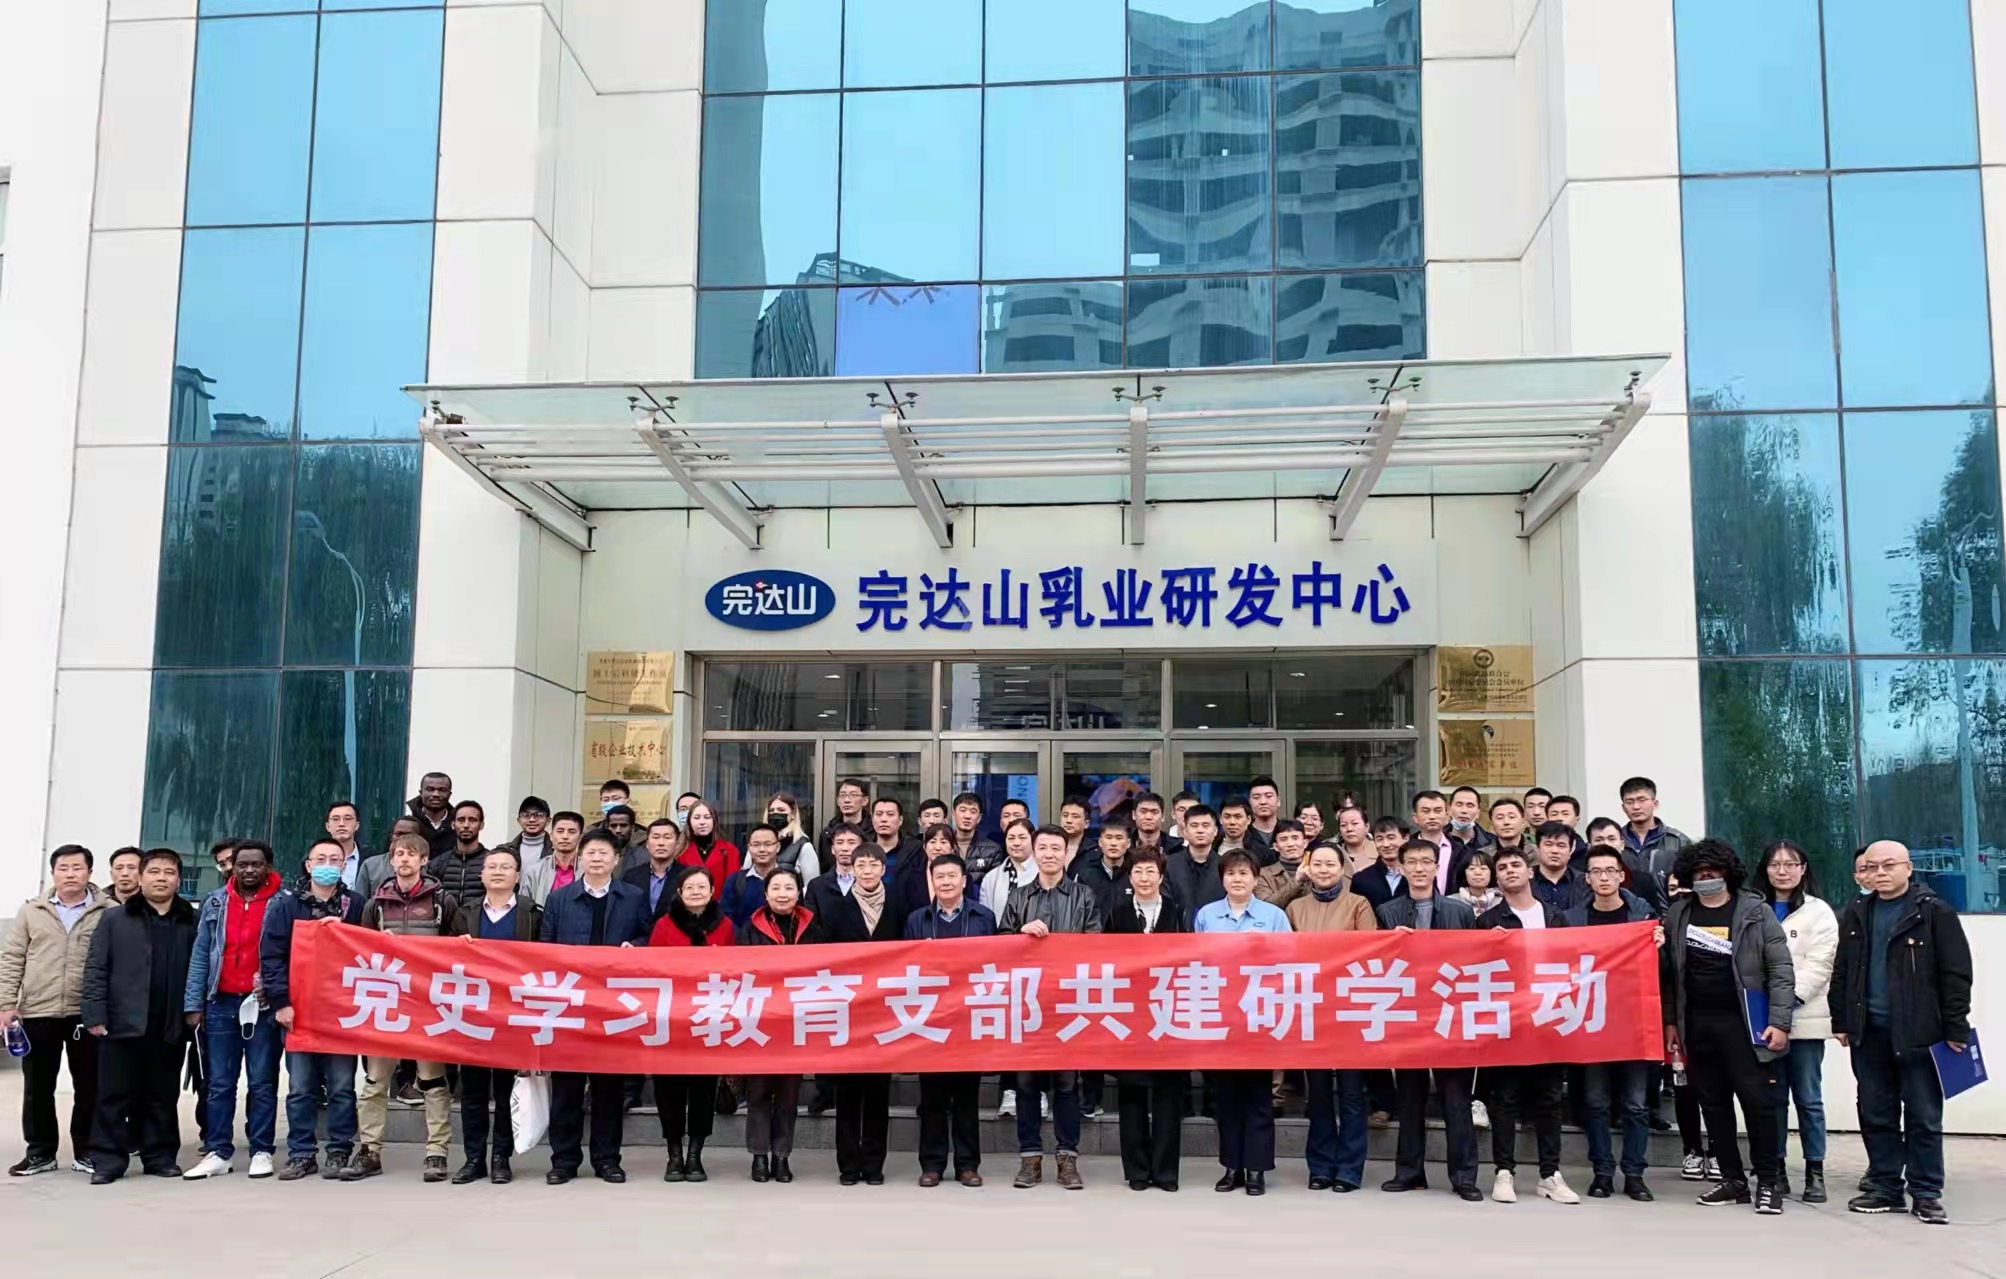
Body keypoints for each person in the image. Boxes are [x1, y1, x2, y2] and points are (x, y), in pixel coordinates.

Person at [1831, 840, 1973, 1226]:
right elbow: (1843, 968)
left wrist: (1956, 1028)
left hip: (1921, 1032)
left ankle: (1926, 1193)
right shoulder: (1857, 912)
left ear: (1908, 868)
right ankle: (1885, 1187)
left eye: (1888, 865)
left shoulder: (1934, 912)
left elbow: (1956, 974)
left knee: (1923, 1116)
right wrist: (1841, 1019)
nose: (1879, 873)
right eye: (1871, 866)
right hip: (1869, 1031)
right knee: (1876, 1112)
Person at [1661, 838, 1795, 1215]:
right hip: (1696, 1025)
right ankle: (1733, 1180)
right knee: (1713, 1105)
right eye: (1700, 873)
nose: (1707, 878)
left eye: (1714, 872)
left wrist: (1779, 1021)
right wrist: (1671, 1022)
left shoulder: (1755, 911)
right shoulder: (1678, 914)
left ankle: (1767, 1181)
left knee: (1758, 1104)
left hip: (1746, 1025)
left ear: (1728, 873)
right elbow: (1670, 976)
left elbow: (1781, 969)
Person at [343, 832, 463, 1182]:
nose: (405, 859)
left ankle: (436, 1152)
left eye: (412, 854)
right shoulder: (376, 904)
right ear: (391, 859)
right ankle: (369, 1150)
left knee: (433, 1081)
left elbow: (461, 949)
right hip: (387, 1003)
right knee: (374, 1082)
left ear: (424, 860)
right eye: (399, 853)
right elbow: (361, 952)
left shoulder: (443, 900)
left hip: (428, 1003)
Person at [538, 829, 651, 1184]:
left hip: (614, 1007)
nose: (597, 858)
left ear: (616, 860)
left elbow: (648, 937)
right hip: (570, 1005)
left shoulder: (633, 897)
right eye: (591, 852)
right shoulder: (560, 898)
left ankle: (607, 1160)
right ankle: (563, 1161)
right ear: (580, 858)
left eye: (604, 853)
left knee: (609, 1090)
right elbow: (545, 947)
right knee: (566, 1090)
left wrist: (636, 946)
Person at [82, 849, 197, 1184]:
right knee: (113, 1095)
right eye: (154, 872)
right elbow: (96, 968)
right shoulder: (114, 918)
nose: (161, 878)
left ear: (178, 879)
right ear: (141, 877)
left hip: (170, 1023)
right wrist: (94, 1014)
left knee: (162, 1095)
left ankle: (160, 1157)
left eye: (169, 872)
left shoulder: (191, 919)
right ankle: (108, 1161)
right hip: (121, 1023)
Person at [1377, 839, 1481, 1200]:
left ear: (1438, 867)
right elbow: (1377, 964)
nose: (1419, 868)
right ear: (1401, 867)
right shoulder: (1387, 912)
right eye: (1412, 862)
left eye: (1426, 862)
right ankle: (1409, 1172)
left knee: (1456, 1100)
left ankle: (1464, 1177)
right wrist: (1390, 943)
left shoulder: (1460, 912)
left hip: (1450, 1015)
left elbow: (1475, 960)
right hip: (1408, 1016)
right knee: (1409, 1099)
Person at [999, 825, 1102, 1191]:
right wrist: (1021, 934)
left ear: (1066, 853)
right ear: (1033, 851)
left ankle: (1067, 1159)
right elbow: (1000, 944)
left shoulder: (1083, 895)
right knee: (1026, 1083)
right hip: (1028, 1002)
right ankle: (1029, 1159)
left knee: (1066, 1084)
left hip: (1068, 1002)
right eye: (1042, 847)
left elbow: (1096, 944)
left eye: (1056, 848)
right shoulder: (1018, 896)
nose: (1049, 854)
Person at [1472, 847, 1576, 1204]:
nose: (1510, 871)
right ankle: (1504, 1171)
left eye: (1516, 865)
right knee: (1506, 1098)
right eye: (1502, 868)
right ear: (1497, 879)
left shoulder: (1556, 916)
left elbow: (1572, 961)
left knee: (1549, 1098)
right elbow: (1478, 969)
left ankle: (1550, 1174)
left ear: (1530, 872)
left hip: (1549, 1016)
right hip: (1508, 1019)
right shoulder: (1489, 920)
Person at [259, 838, 363, 1182]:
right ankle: (301, 1153)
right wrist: (281, 1003)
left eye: (335, 859)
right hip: (299, 1009)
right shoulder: (286, 904)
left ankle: (339, 1149)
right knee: (301, 1087)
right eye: (321, 859)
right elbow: (271, 957)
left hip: (343, 1011)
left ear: (344, 865)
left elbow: (370, 953)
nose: (328, 865)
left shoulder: (356, 904)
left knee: (342, 1086)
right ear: (308, 865)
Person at [2, 845, 110, 1177]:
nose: (70, 874)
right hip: (38, 1010)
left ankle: (87, 1151)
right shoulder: (32, 911)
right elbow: (12, 958)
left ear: (89, 872)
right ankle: (40, 1152)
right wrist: (7, 1004)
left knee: (90, 1086)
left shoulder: (109, 911)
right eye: (63, 868)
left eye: (77, 868)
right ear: (53, 873)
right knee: (37, 1087)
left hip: (86, 1013)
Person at [182, 839, 283, 1181]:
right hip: (220, 1002)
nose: (249, 870)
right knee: (219, 1084)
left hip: (263, 1006)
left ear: (268, 867)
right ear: (232, 867)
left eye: (257, 864)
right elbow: (201, 954)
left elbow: (291, 954)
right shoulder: (215, 901)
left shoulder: (283, 902)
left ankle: (261, 1150)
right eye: (243, 864)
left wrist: (275, 990)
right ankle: (218, 1151)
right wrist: (193, 1003)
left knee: (262, 1082)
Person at [1563, 845, 1660, 1201]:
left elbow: (1662, 972)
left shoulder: (1643, 916)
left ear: (1621, 875)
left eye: (1610, 871)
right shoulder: (1572, 919)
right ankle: (1602, 1172)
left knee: (1636, 1104)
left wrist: (1659, 947)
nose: (1603, 878)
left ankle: (1634, 1174)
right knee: (1595, 1101)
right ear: (1587, 879)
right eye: (1596, 872)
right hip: (1591, 1020)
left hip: (1633, 1021)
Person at [1193, 849, 1290, 1195]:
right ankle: (1232, 1166)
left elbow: (1288, 961)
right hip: (1221, 1016)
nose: (1237, 879)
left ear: (1255, 878)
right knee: (1227, 1098)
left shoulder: (1274, 916)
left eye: (1244, 873)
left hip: (1259, 1015)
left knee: (1259, 1097)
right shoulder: (1207, 915)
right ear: (1222, 879)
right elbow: (1196, 962)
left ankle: (1257, 1169)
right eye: (1231, 873)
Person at [441, 845, 540, 1185]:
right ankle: (473, 1159)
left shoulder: (531, 913)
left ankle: (501, 1157)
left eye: (505, 867)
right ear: (482, 875)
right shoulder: (465, 913)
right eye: (492, 866)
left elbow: (544, 961)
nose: (498, 872)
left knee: (506, 1090)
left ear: (517, 875)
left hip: (514, 1016)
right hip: (474, 1015)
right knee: (473, 1092)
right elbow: (443, 959)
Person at [1286, 843, 1375, 1192]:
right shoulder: (1295, 908)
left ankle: (1350, 1169)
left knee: (1352, 1094)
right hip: (1312, 1010)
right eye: (1317, 864)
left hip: (1350, 1009)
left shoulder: (1359, 904)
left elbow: (1368, 951)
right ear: (1308, 868)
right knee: (1319, 1094)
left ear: (1342, 869)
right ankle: (1321, 1167)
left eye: (1330, 864)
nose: (1324, 870)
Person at [1753, 839, 1836, 1203]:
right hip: (1763, 1021)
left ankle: (1815, 1172)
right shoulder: (1753, 908)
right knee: (1772, 1099)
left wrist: (1784, 1007)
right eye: (1775, 864)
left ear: (1803, 869)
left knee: (1808, 1098)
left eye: (1790, 864)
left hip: (1805, 1019)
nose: (1782, 871)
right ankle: (1776, 1170)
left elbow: (1820, 965)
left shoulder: (1819, 912)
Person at [905, 854, 995, 1187]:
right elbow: (905, 969)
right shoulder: (917, 919)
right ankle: (932, 1164)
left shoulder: (983, 917)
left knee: (967, 1098)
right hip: (931, 1018)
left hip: (970, 1016)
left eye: (951, 876)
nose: (946, 882)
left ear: (964, 881)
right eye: (939, 877)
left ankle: (967, 1165)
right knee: (932, 1098)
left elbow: (995, 963)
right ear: (932, 882)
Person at [1108, 848, 1187, 1191]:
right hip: (1129, 1017)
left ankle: (1166, 1172)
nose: (1144, 878)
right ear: (1130, 877)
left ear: (1161, 876)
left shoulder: (1177, 912)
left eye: (1150, 871)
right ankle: (1138, 1171)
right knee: (1132, 1098)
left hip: (1168, 1013)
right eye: (1138, 871)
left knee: (1168, 1097)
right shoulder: (1117, 914)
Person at [647, 868, 732, 1184]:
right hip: (670, 1020)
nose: (696, 891)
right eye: (690, 887)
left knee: (702, 1090)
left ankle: (695, 1154)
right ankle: (674, 1154)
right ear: (680, 892)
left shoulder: (725, 927)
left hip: (709, 1018)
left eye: (702, 886)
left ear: (712, 890)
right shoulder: (664, 926)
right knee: (668, 1090)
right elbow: (651, 970)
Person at [824, 844, 902, 1185]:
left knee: (877, 1096)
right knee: (847, 1095)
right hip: (848, 1012)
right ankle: (847, 1165)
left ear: (883, 869)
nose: (867, 871)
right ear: (851, 869)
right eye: (861, 865)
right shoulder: (836, 908)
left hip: (885, 1012)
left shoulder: (899, 906)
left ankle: (873, 1164)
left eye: (873, 865)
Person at [738, 866, 820, 1183]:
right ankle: (759, 1156)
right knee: (758, 1092)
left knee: (788, 1094)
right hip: (760, 1020)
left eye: (789, 888)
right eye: (776, 888)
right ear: (766, 893)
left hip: (796, 1022)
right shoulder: (750, 928)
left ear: (799, 893)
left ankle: (782, 1156)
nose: (782, 894)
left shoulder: (813, 927)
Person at [1619, 776, 1690, 889]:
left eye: (1642, 800)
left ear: (1655, 803)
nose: (1636, 807)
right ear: (1623, 808)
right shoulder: (1615, 840)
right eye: (1629, 802)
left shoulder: (1678, 841)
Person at [721, 822, 784, 928]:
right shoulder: (734, 881)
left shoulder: (789, 880)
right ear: (749, 848)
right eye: (756, 844)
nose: (762, 849)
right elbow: (726, 918)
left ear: (778, 847)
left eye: (768, 844)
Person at [426, 799, 489, 905]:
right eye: (461, 820)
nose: (466, 825)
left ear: (481, 825)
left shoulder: (492, 862)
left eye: (472, 820)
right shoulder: (438, 864)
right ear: (453, 824)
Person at [1166, 804, 1226, 914]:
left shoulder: (1225, 866)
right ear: (1185, 831)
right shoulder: (1169, 865)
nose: (1200, 830)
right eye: (1194, 825)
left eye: (1206, 825)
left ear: (1215, 831)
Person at [622, 817, 686, 917]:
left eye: (667, 837)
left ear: (677, 844)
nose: (661, 843)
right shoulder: (631, 876)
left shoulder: (687, 876)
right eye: (656, 837)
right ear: (647, 844)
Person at [522, 810, 585, 906]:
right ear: (551, 836)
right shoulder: (535, 871)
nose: (565, 836)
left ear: (580, 838)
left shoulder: (588, 869)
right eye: (560, 831)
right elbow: (524, 907)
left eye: (571, 832)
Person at [980, 817, 1038, 917]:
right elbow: (985, 916)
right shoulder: (991, 877)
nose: (1016, 843)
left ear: (1033, 841)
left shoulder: (1043, 873)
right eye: (1011, 838)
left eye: (1022, 838)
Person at [1076, 817, 1133, 915]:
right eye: (1108, 837)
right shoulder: (1085, 873)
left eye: (1119, 838)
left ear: (1128, 843)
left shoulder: (1136, 873)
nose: (1113, 843)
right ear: (1100, 842)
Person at [1528, 821, 1587, 914]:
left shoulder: (1584, 882)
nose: (1554, 851)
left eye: (1561, 845)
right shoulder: (1526, 881)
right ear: (1537, 849)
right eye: (1548, 844)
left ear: (1571, 850)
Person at [1253, 818, 1313, 908]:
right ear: (1276, 846)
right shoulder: (1263, 874)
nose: (1290, 844)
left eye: (1295, 838)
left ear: (1305, 843)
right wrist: (1297, 881)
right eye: (1284, 839)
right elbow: (1265, 908)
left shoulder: (1316, 871)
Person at [1350, 817, 1408, 909]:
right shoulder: (1361, 879)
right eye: (1379, 839)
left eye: (1391, 838)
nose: (1386, 844)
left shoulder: (1418, 875)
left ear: (1406, 838)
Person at [681, 801, 742, 887]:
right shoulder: (681, 851)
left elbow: (733, 886)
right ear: (689, 822)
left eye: (707, 817)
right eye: (697, 818)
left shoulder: (729, 850)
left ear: (714, 820)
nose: (702, 822)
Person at [763, 792, 821, 880]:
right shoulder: (758, 842)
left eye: (781, 810)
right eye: (771, 810)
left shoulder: (803, 845)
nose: (775, 813)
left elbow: (812, 884)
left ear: (793, 814)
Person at [950, 791, 1005, 881]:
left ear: (979, 818)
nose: (967, 816)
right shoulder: (944, 846)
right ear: (953, 814)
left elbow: (994, 884)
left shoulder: (992, 849)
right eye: (963, 810)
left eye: (973, 812)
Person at [406, 771, 456, 855]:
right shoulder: (407, 820)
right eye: (430, 789)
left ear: (449, 794)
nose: (436, 794)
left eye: (442, 790)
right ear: (421, 793)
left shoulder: (458, 823)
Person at [495, 795, 552, 866]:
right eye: (526, 815)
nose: (532, 819)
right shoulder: (504, 851)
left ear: (548, 820)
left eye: (538, 815)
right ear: (519, 820)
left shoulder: (556, 850)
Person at [869, 796, 918, 876]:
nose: (883, 819)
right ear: (872, 819)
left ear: (900, 820)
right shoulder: (862, 847)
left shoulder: (915, 850)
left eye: (890, 814)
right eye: (879, 814)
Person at [324, 801, 366, 891]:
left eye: (348, 819)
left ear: (357, 825)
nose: (341, 824)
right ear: (327, 826)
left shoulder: (371, 859)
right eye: (335, 819)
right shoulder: (314, 860)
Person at [822, 778, 871, 852]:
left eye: (853, 795)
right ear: (838, 801)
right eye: (843, 795)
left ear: (865, 800)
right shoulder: (828, 833)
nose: (847, 800)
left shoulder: (874, 831)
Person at [1132, 792, 1184, 857]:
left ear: (1162, 816)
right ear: (1134, 815)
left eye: (1154, 812)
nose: (1148, 817)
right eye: (1143, 811)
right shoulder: (1125, 847)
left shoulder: (1178, 850)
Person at [1447, 785, 1494, 850]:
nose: (1464, 810)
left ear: (1478, 813)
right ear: (1449, 810)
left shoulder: (1492, 843)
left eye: (1470, 806)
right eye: (1459, 805)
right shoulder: (1438, 840)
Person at [1245, 775, 1283, 854]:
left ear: (1278, 801)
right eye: (1256, 797)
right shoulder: (1243, 834)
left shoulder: (1288, 832)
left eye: (1268, 796)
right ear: (1250, 802)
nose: (1263, 802)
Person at [1487, 797, 1532, 862]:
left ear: (1523, 821)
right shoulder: (1482, 855)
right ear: (1491, 824)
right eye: (1500, 818)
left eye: (1512, 817)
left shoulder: (1538, 852)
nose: (1506, 822)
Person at [1058, 796, 1095, 868]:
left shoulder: (1094, 852)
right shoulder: (1050, 847)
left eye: (1075, 816)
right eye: (1065, 815)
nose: (1068, 820)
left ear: (1086, 823)